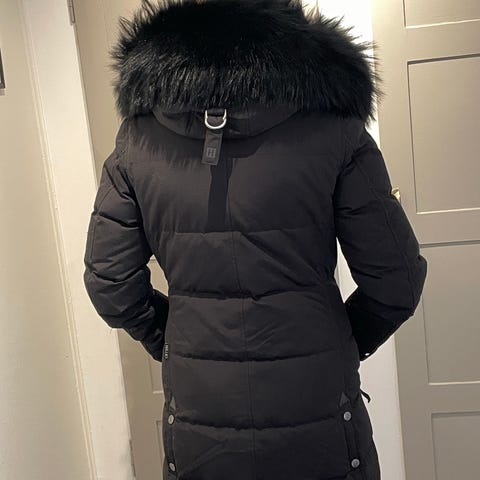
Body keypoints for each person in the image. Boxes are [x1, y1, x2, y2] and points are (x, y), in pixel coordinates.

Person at [82, 1, 428, 479]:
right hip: (318, 410)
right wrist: (341, 340)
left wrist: (172, 339)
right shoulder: (333, 126)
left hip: (202, 419)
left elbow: (111, 285)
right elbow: (397, 282)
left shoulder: (137, 139)